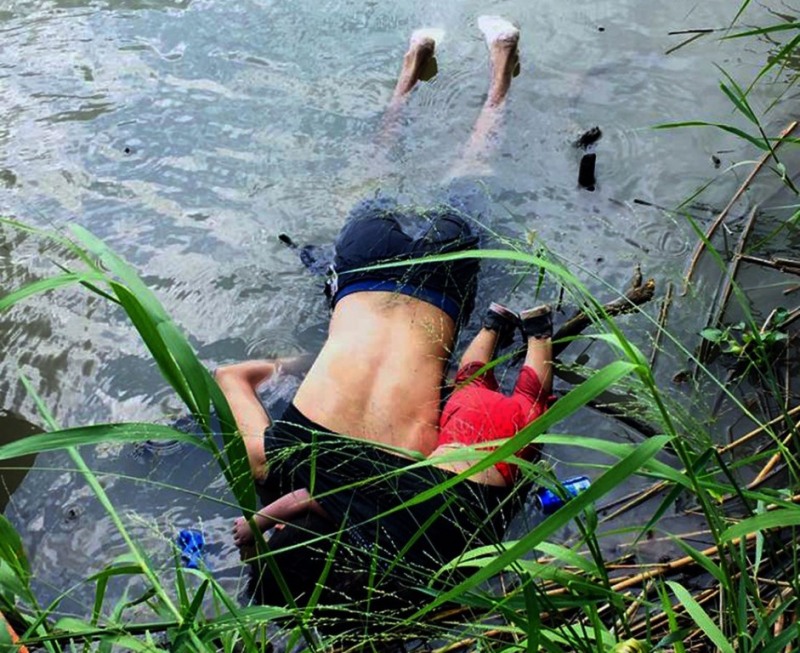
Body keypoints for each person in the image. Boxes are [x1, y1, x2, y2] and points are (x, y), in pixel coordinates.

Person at [216, 16, 526, 611]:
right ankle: (412, 66)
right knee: (376, 169)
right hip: (364, 269)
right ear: (279, 526)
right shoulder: (273, 460)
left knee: (474, 170)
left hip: (439, 282)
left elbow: (476, 425)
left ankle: (499, 71)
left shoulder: (408, 492)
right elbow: (233, 375)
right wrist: (305, 362)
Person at [228, 301, 554, 547]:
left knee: (525, 395)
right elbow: (306, 497)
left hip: (496, 456)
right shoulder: (360, 520)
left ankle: (535, 334)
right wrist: (256, 523)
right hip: (460, 430)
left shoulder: (382, 543)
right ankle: (496, 323)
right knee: (471, 381)